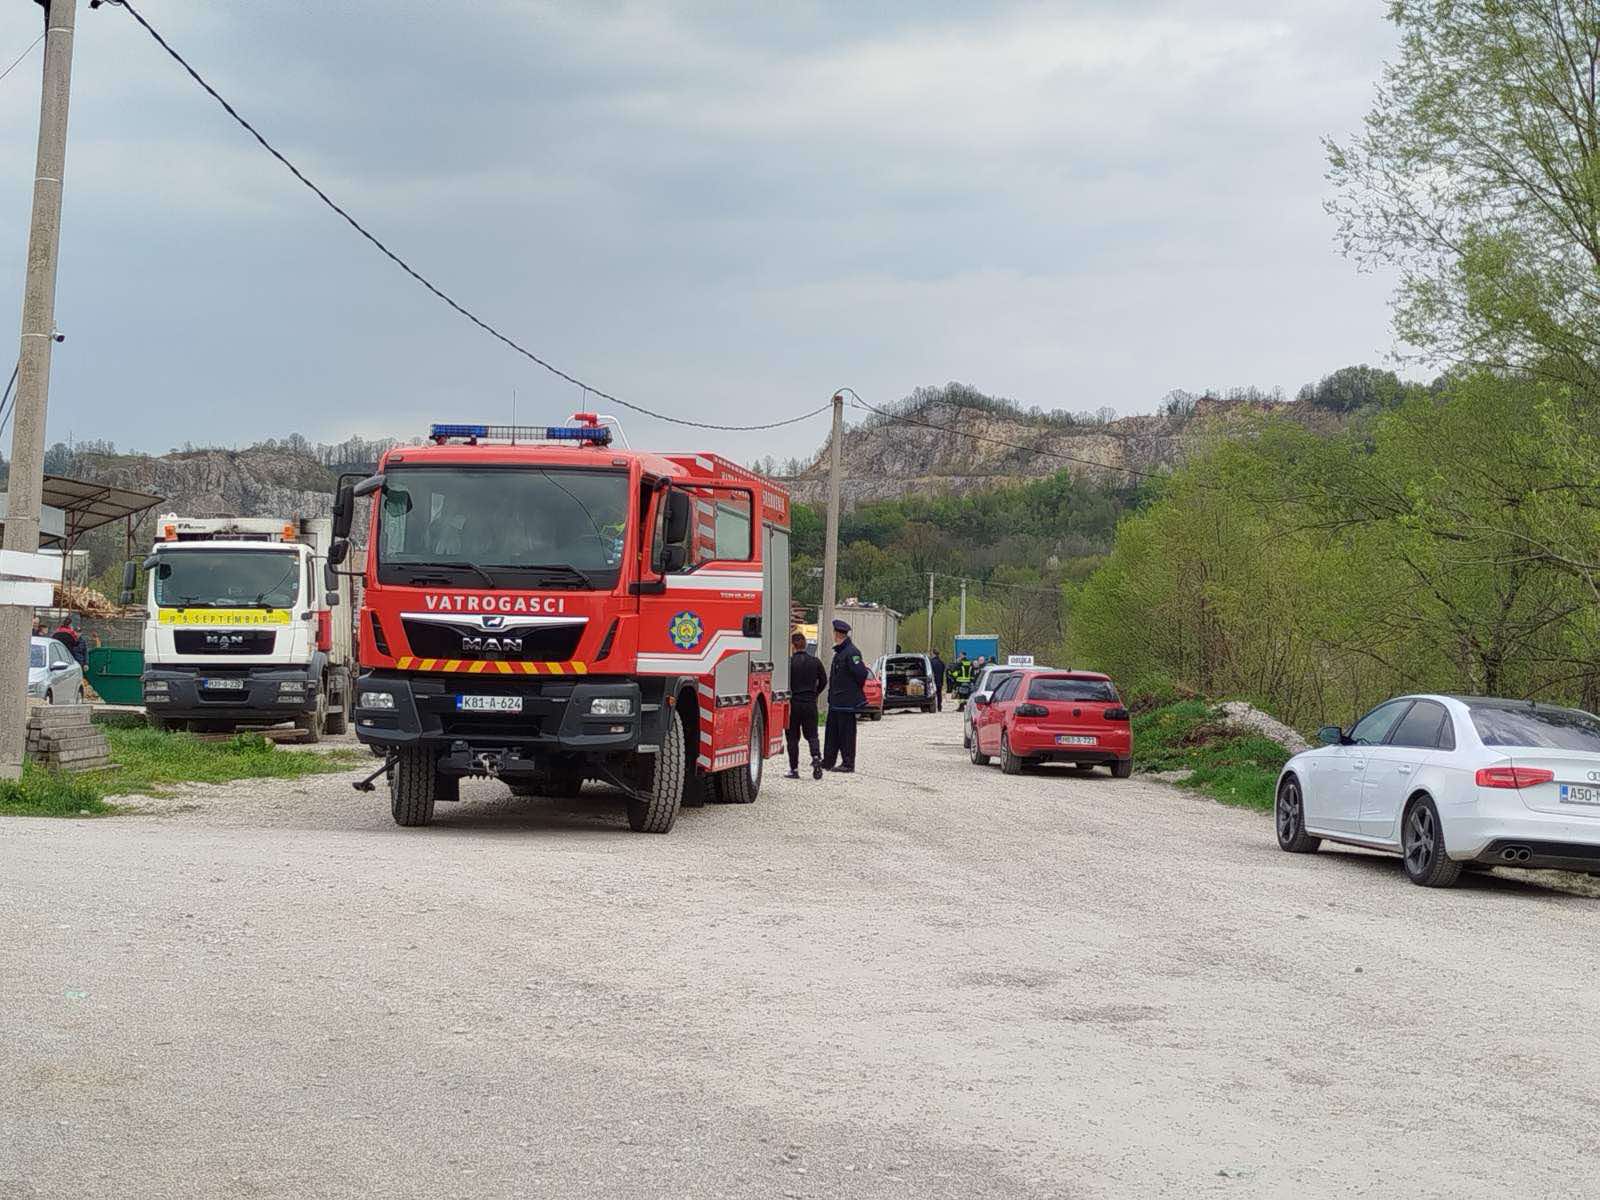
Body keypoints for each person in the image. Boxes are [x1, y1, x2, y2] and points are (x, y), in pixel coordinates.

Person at [821, 618, 869, 773]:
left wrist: (852, 692)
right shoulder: (840, 652)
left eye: (834, 633)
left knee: (846, 733)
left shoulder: (851, 652)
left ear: (837, 634)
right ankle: (828, 761)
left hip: (846, 702)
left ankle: (848, 763)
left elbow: (861, 674)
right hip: (836, 701)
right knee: (832, 732)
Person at [784, 631, 826, 780]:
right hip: (809, 703)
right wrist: (815, 694)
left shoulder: (788, 663)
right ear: (805, 644)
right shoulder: (815, 662)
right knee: (812, 735)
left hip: (793, 703)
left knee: (793, 738)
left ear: (793, 646)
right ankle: (816, 757)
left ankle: (794, 769)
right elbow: (824, 681)